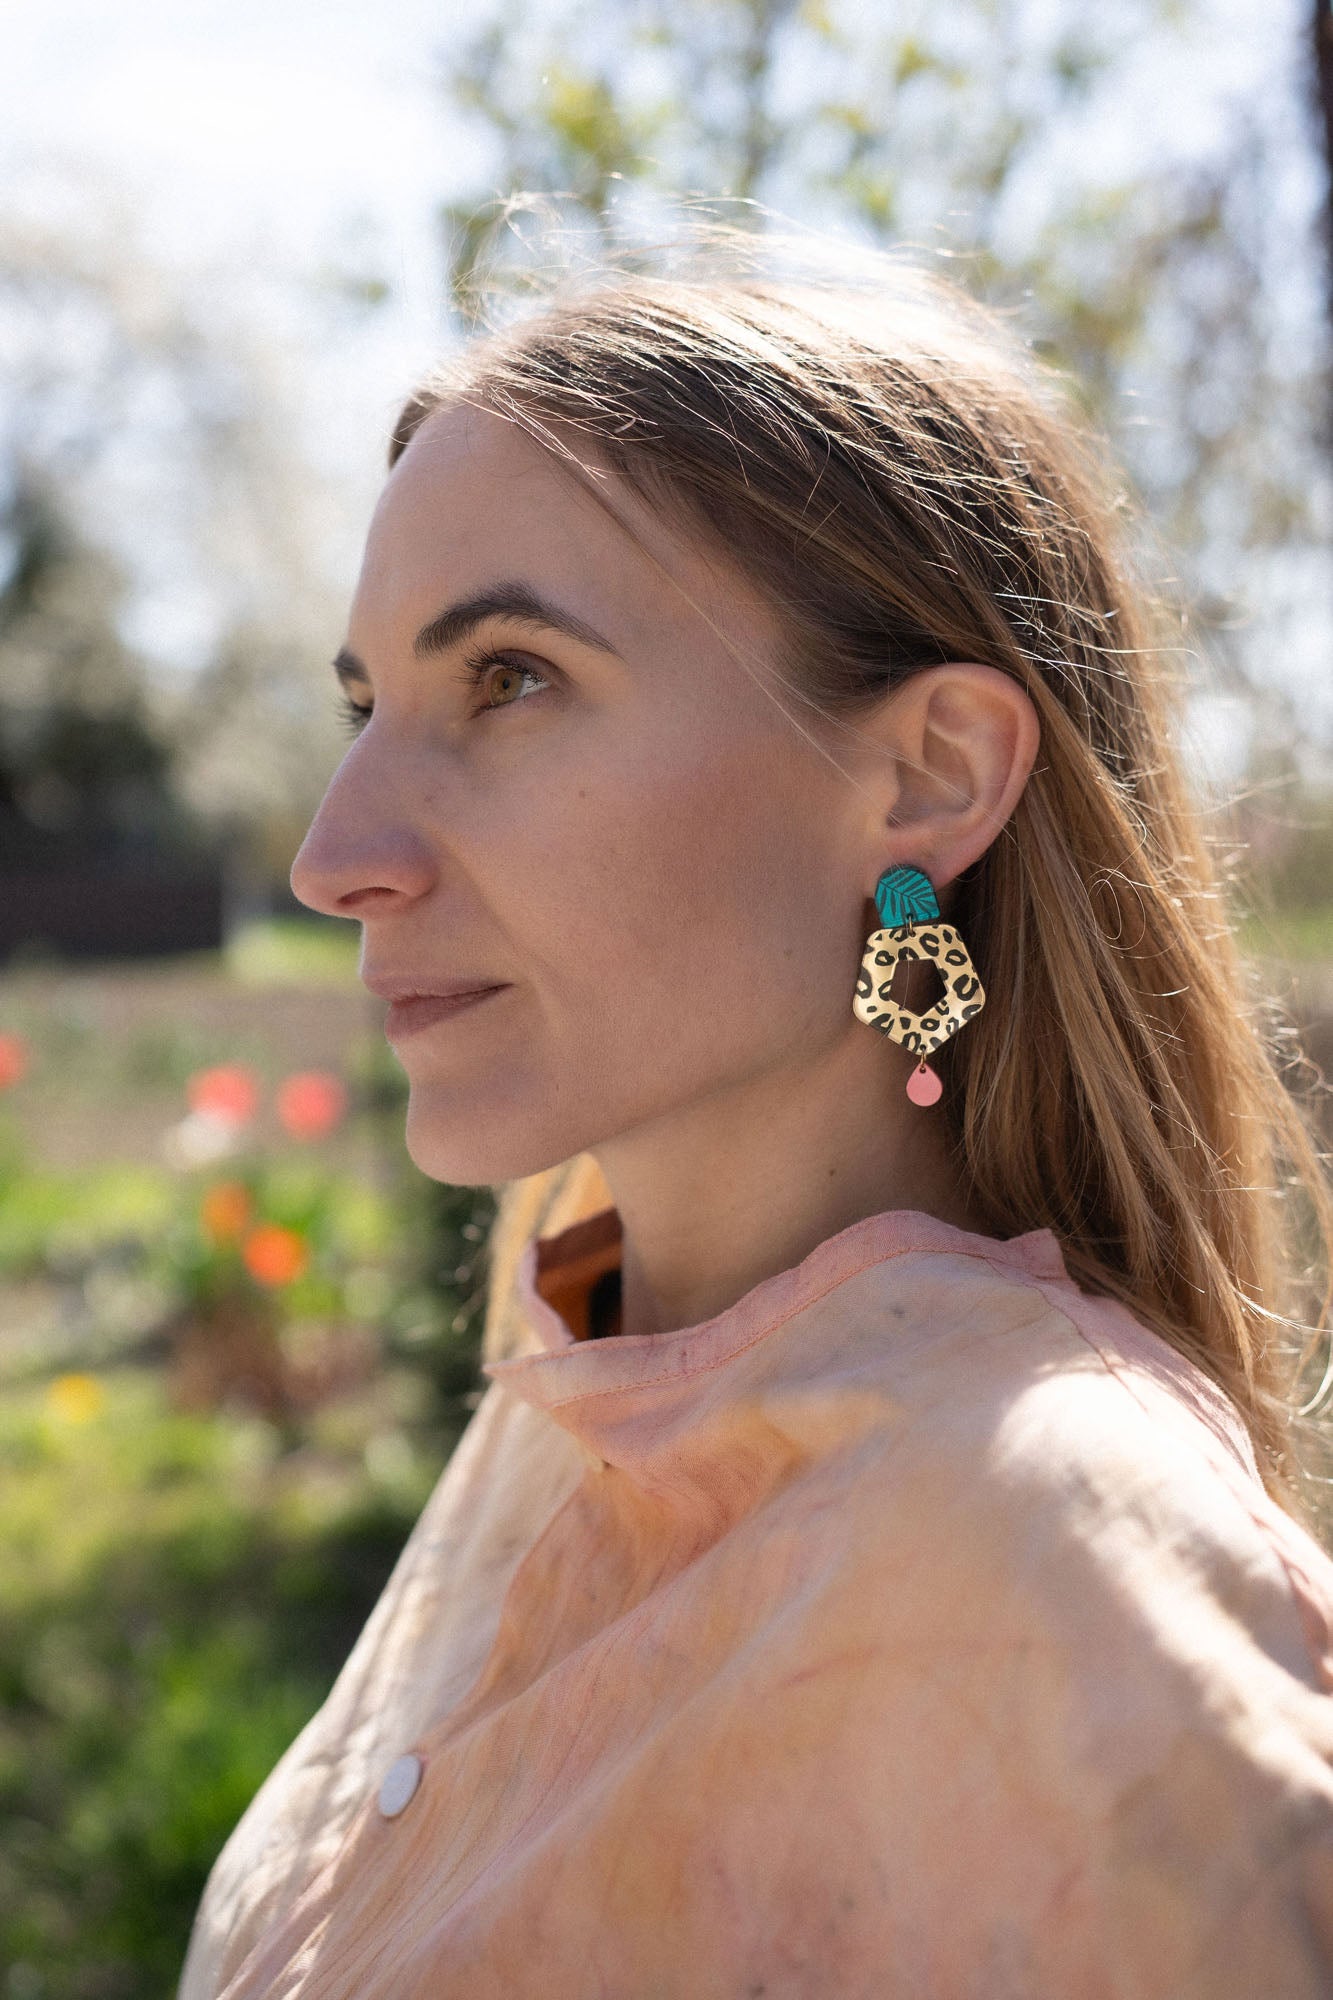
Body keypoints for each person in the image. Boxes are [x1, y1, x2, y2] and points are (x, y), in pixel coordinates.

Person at [178, 235, 1333, 1999]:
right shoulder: (575, 1382)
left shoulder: (1066, 1566)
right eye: (367, 705)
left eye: (506, 677)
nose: (335, 858)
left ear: (929, 771)